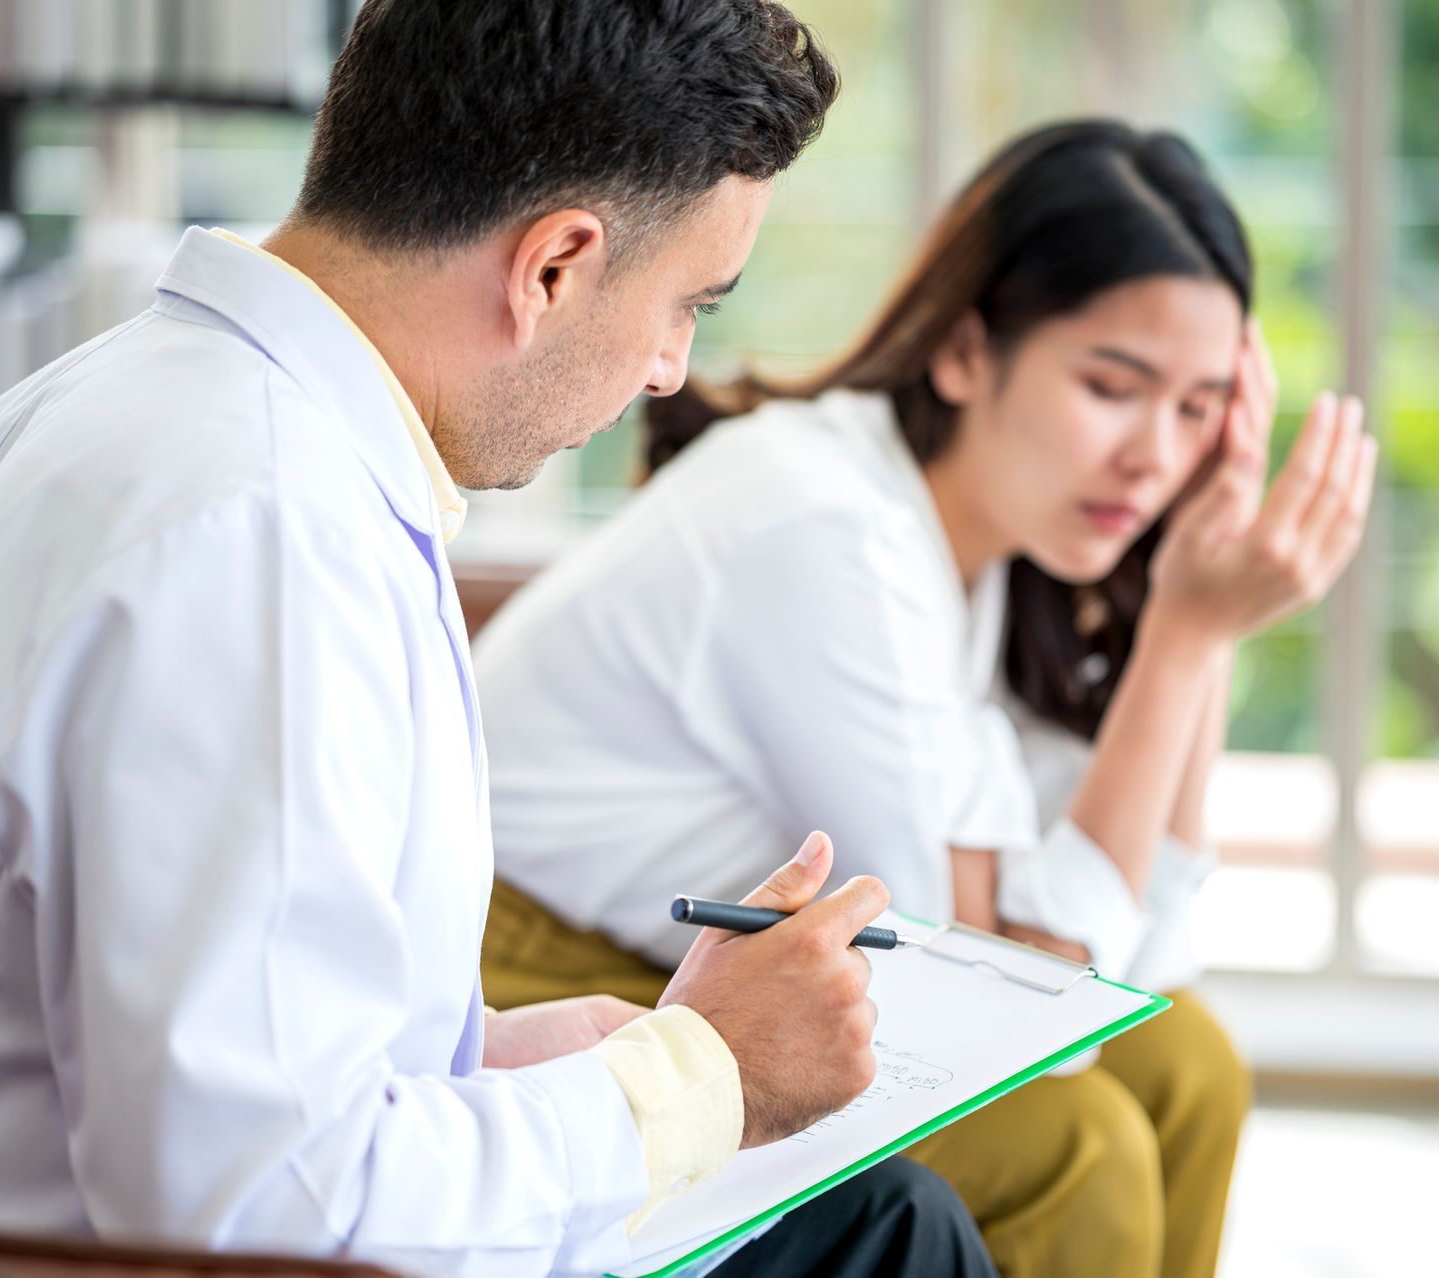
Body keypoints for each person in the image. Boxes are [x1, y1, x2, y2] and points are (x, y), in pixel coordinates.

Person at [0, 4, 998, 1277]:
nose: (672, 369)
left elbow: (210, 1048)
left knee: (884, 1222)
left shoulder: (124, 415)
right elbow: (263, 1217)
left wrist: (506, 1055)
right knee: (896, 1242)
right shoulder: (262, 538)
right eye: (689, 305)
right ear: (553, 264)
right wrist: (690, 1077)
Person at [471, 119, 1377, 1278]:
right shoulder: (826, 526)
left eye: (1201, 410)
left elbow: (1131, 969)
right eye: (1114, 385)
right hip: (547, 976)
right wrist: (1187, 640)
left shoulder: (974, 552)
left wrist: (1194, 624)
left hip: (695, 958)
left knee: (1188, 1064)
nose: (1157, 456)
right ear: (963, 353)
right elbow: (1013, 1011)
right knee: (1078, 1144)